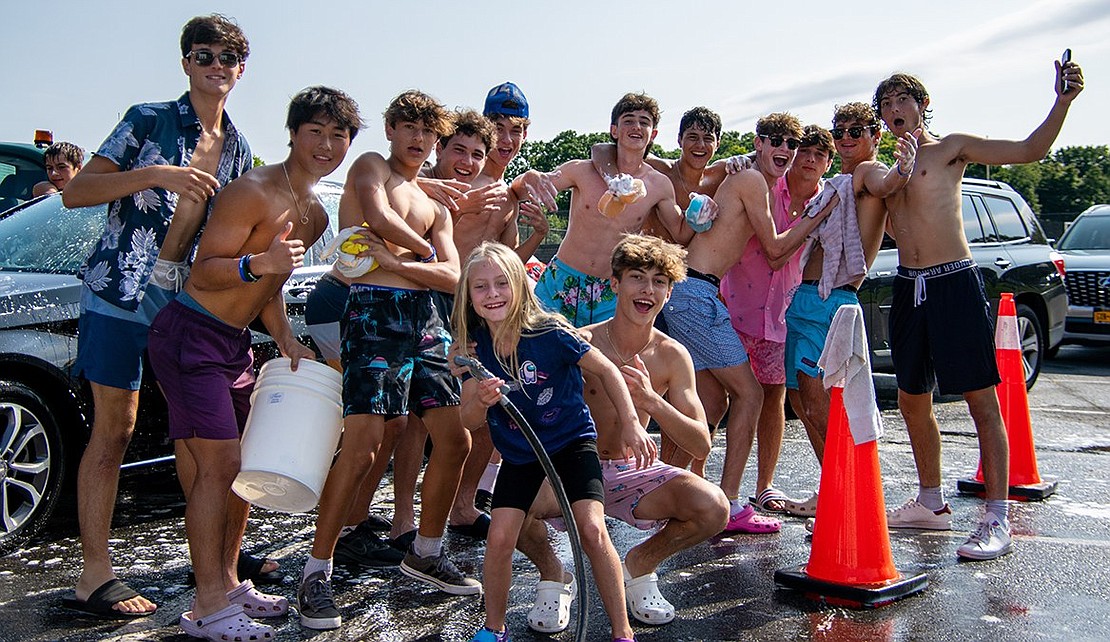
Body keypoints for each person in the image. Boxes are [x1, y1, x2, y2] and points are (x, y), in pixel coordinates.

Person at [146, 85, 360, 641]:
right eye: (316, 131)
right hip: (190, 334)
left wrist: (286, 337)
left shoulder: (314, 212)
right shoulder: (252, 190)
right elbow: (204, 272)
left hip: (236, 344)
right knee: (217, 469)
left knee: (239, 471)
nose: (327, 144)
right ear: (292, 133)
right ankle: (208, 605)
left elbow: (273, 287)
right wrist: (256, 262)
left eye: (339, 135)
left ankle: (228, 580)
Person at [59, 14, 254, 619]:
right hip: (122, 291)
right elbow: (76, 191)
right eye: (204, 55)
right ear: (186, 63)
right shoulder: (147, 120)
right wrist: (156, 174)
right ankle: (94, 575)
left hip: (191, 303)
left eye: (228, 57)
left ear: (241, 69)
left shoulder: (242, 149)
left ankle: (218, 573)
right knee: (114, 428)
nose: (215, 66)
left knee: (201, 441)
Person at [875, 60, 1083, 560]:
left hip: (953, 282)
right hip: (908, 285)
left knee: (980, 401)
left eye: (904, 99)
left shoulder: (951, 148)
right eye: (886, 103)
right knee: (910, 399)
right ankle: (931, 502)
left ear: (923, 106)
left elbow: (1032, 150)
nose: (894, 109)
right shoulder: (883, 170)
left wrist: (1063, 101)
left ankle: (996, 516)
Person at [298, 90, 480, 632]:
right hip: (373, 314)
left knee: (456, 439)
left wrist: (399, 258)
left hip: (426, 321)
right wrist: (420, 255)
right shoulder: (370, 166)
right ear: (391, 129)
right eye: (407, 127)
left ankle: (425, 551)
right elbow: (375, 216)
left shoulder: (437, 206)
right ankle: (316, 572)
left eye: (428, 132)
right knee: (362, 447)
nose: (418, 139)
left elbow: (455, 277)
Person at [515, 233, 729, 631]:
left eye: (659, 281)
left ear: (669, 292)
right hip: (575, 468)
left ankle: (640, 565)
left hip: (633, 470)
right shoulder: (581, 343)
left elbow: (701, 441)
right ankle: (553, 575)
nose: (647, 289)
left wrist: (651, 401)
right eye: (637, 277)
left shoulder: (672, 355)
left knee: (713, 506)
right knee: (510, 501)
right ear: (615, 284)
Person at [454, 241, 655, 642]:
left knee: (592, 531)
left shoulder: (550, 332)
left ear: (518, 285)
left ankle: (622, 632)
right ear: (468, 296)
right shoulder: (471, 348)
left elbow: (609, 372)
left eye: (500, 284)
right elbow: (466, 418)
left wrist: (632, 422)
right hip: (520, 453)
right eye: (480, 287)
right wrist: (480, 398)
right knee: (498, 536)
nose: (492, 294)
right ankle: (493, 629)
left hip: (571, 444)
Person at [660, 112, 829, 535]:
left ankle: (662, 494)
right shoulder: (753, 181)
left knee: (711, 403)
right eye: (775, 141)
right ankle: (731, 504)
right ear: (758, 142)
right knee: (750, 395)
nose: (785, 151)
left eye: (791, 143)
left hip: (693, 292)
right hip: (695, 294)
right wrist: (819, 213)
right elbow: (774, 251)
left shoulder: (755, 179)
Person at [782, 103, 917, 516]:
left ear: (874, 136)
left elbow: (883, 181)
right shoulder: (834, 182)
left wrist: (903, 168)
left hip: (832, 302)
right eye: (839, 130)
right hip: (805, 298)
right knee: (801, 403)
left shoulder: (863, 174)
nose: (845, 138)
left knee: (823, 407)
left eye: (857, 131)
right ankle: (833, 486)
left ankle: (849, 500)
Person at [718, 123, 835, 514]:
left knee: (772, 398)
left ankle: (764, 485)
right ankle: (700, 485)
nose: (809, 159)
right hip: (735, 307)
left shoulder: (829, 200)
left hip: (781, 314)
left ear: (827, 163)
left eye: (820, 154)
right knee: (718, 398)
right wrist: (733, 161)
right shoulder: (766, 184)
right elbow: (772, 250)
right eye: (805, 151)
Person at [512, 92, 691, 327]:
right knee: (536, 351)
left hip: (610, 289)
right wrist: (529, 175)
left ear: (653, 134)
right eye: (628, 120)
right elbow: (522, 190)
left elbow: (680, 232)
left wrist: (702, 213)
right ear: (614, 130)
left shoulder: (658, 185)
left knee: (598, 360)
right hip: (562, 279)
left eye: (644, 122)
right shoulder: (581, 170)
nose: (636, 126)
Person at [590, 106, 732, 244]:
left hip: (694, 262)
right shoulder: (658, 168)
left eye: (708, 138)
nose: (700, 145)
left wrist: (741, 161)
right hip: (647, 260)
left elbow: (753, 154)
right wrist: (614, 180)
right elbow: (602, 149)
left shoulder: (721, 173)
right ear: (679, 140)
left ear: (717, 144)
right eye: (693, 137)